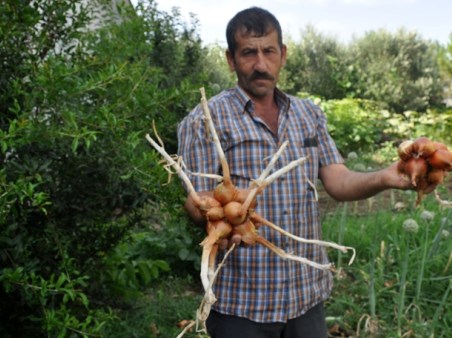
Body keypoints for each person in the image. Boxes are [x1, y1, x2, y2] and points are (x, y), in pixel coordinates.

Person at [177, 7, 435, 338]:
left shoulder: (307, 114)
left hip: (305, 295)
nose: (260, 64)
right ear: (230, 59)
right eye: (248, 53)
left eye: (269, 51)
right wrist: (212, 216)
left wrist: (386, 177)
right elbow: (196, 198)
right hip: (240, 303)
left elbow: (339, 182)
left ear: (282, 54)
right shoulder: (204, 120)